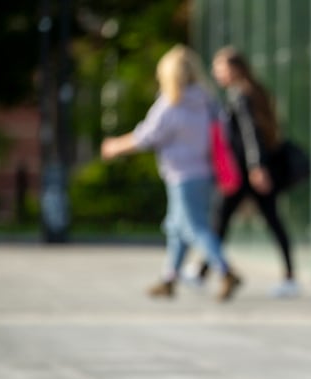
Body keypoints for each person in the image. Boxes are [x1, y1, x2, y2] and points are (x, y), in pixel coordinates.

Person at [101, 45, 241, 302]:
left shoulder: (171, 103)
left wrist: (115, 146)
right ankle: (169, 279)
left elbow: (146, 136)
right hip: (204, 173)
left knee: (194, 227)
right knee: (177, 227)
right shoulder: (207, 101)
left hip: (181, 175)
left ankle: (225, 269)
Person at [204, 46, 297, 297]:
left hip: (247, 173)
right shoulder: (253, 92)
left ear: (235, 69)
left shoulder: (241, 95)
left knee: (221, 219)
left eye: (220, 67)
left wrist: (257, 166)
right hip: (251, 171)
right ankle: (204, 270)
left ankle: (204, 271)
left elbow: (249, 133)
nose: (216, 72)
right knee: (240, 220)